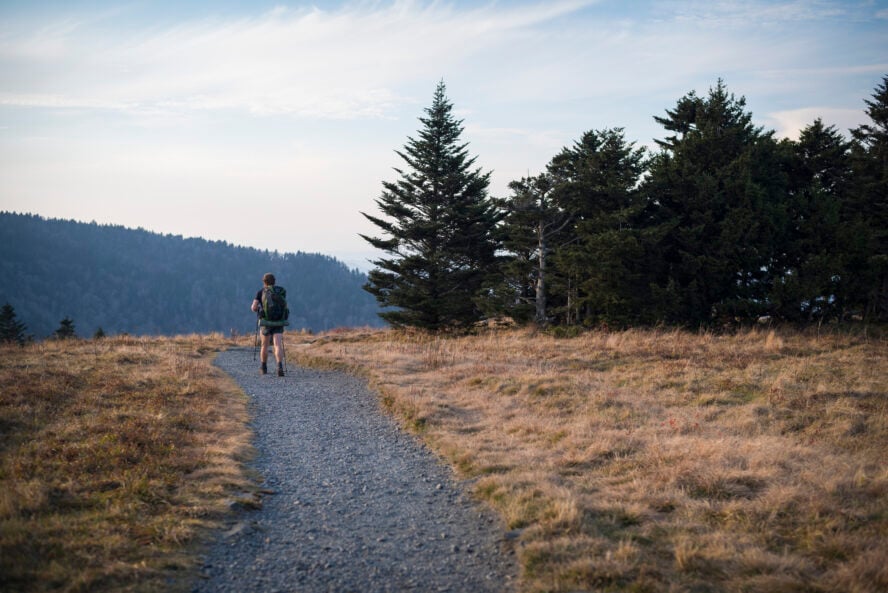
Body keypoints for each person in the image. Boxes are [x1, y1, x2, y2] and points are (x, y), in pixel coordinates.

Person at [252, 273, 286, 376]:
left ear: (264, 281)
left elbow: (253, 307)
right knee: (277, 345)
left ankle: (263, 367)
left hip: (266, 322)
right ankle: (279, 366)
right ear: (274, 281)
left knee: (264, 345)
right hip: (279, 321)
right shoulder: (281, 291)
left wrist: (258, 309)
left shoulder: (261, 292)